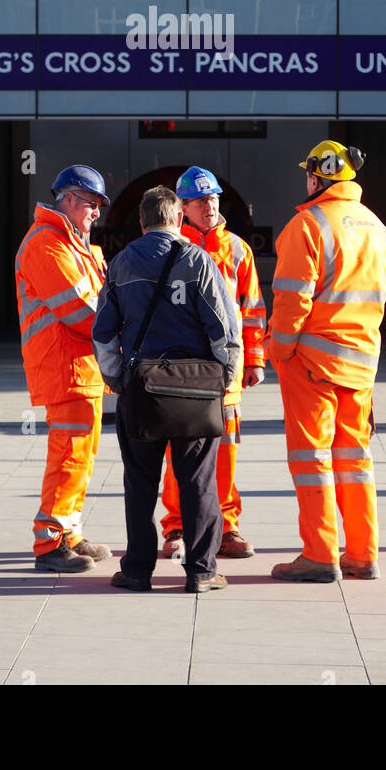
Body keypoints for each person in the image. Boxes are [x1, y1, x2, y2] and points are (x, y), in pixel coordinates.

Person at [92, 185, 241, 594]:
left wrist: (117, 379)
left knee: (140, 481)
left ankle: (138, 570)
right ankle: (202, 571)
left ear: (142, 222)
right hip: (195, 392)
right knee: (198, 482)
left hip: (141, 389)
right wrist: (221, 381)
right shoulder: (199, 260)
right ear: (178, 220)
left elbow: (103, 331)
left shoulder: (121, 263)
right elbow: (225, 330)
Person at [266, 140, 386, 583]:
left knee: (311, 459)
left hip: (312, 364)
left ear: (319, 177)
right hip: (361, 364)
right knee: (354, 459)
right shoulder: (380, 230)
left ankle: (320, 555)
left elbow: (290, 301)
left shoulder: (306, 226)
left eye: (309, 173)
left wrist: (277, 351)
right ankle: (362, 554)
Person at [160, 167, 266, 562]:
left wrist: (255, 358)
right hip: (183, 369)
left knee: (226, 452)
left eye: (214, 198)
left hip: (226, 372)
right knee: (177, 449)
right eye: (201, 201)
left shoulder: (237, 249)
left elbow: (252, 310)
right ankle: (176, 526)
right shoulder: (168, 246)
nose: (210, 206)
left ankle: (225, 526)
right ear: (183, 207)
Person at [15, 164, 112, 574]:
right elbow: (79, 311)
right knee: (69, 456)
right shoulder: (47, 243)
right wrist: (125, 334)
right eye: (91, 204)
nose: (96, 213)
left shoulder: (74, 243)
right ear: (69, 199)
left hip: (81, 367)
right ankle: (50, 543)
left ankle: (68, 533)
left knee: (81, 457)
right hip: (63, 366)